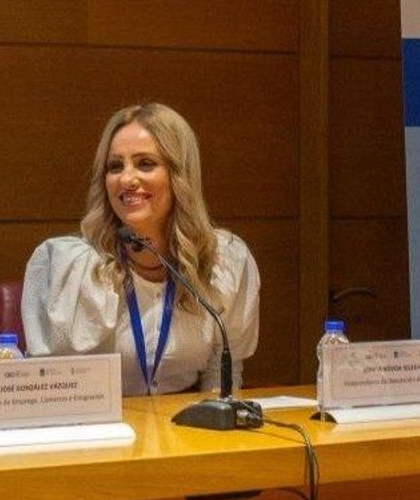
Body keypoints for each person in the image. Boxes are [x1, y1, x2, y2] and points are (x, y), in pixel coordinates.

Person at [22, 103, 260, 396]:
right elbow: (48, 383)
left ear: (180, 176)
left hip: (187, 431)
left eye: (145, 163)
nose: (126, 179)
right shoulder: (68, 266)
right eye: (115, 166)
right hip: (96, 431)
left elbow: (222, 370)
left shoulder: (225, 260)